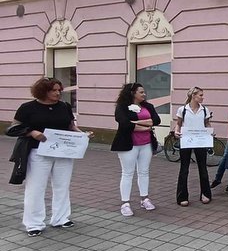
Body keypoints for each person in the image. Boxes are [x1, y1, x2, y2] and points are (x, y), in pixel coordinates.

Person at [12, 77, 92, 236]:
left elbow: (70, 125)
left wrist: (82, 135)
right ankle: (34, 223)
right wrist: (32, 132)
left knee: (62, 185)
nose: (57, 93)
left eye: (59, 90)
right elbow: (13, 128)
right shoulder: (28, 108)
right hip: (38, 152)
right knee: (36, 188)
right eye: (53, 90)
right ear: (43, 91)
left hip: (63, 152)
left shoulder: (64, 106)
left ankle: (61, 218)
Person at [111, 83, 161, 217]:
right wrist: (145, 125)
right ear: (133, 93)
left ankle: (145, 198)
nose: (144, 94)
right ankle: (125, 203)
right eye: (141, 92)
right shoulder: (122, 107)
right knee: (127, 173)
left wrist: (136, 124)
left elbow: (156, 120)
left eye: (144, 92)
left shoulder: (148, 106)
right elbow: (124, 123)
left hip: (146, 144)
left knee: (144, 172)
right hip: (128, 145)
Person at [174, 87, 213, 206]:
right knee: (184, 169)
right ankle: (182, 196)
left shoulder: (205, 110)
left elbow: (207, 124)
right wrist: (176, 132)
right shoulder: (183, 110)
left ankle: (206, 194)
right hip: (186, 140)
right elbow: (178, 124)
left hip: (200, 141)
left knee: (203, 168)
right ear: (193, 96)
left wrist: (210, 132)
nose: (202, 97)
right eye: (200, 95)